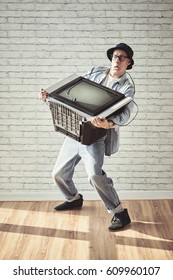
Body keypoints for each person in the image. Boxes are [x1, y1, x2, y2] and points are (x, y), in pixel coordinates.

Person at [39, 43, 135, 231]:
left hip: (96, 136)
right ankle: (73, 198)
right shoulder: (95, 72)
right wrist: (49, 97)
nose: (117, 60)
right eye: (115, 56)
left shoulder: (127, 88)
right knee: (57, 174)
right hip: (76, 130)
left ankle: (119, 212)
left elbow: (124, 115)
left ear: (129, 62)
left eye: (122, 57)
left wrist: (108, 124)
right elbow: (73, 91)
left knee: (94, 175)